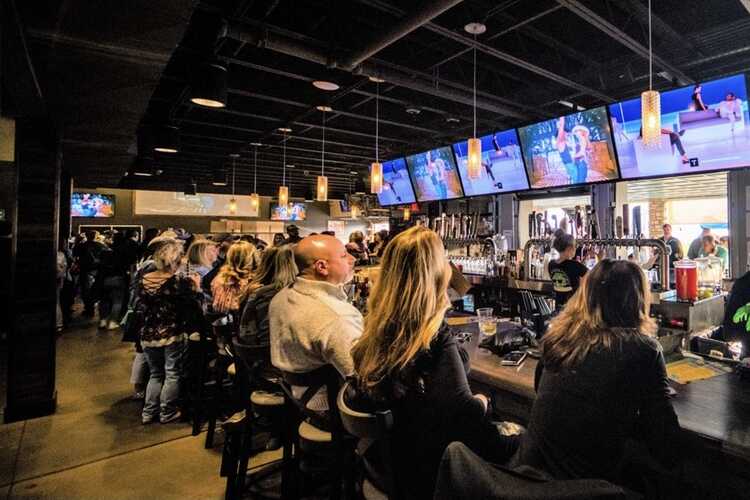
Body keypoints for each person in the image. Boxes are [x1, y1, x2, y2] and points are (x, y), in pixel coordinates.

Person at [350, 226, 519, 498]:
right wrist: (482, 401)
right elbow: (465, 417)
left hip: (390, 465)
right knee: (525, 440)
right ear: (437, 273)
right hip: (430, 475)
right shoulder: (433, 336)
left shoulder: (377, 330)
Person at [511, 259, 682, 489]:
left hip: (520, 483)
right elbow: (667, 448)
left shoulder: (558, 338)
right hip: (579, 491)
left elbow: (539, 385)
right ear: (638, 300)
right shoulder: (643, 349)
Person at [269, 234, 362, 411]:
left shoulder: (280, 298)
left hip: (297, 400)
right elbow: (363, 378)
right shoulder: (336, 317)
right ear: (322, 267)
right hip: (332, 409)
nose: (352, 259)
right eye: (344, 255)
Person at [137, 239, 204, 424]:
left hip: (148, 332)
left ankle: (148, 412)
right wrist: (196, 288)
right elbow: (193, 305)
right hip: (172, 332)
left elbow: (140, 305)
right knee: (172, 373)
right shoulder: (176, 281)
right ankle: (167, 411)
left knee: (155, 373)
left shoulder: (145, 279)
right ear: (174, 260)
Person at [239, 246, 298, 346]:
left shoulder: (255, 291)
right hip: (278, 353)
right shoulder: (297, 293)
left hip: (257, 351)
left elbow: (245, 332)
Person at [96, 232, 131, 330]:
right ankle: (112, 322)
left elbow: (100, 265)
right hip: (119, 278)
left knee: (104, 300)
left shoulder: (106, 251)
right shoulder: (124, 252)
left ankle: (102, 321)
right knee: (117, 301)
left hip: (105, 278)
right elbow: (127, 266)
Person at [211, 240, 256, 316]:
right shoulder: (253, 282)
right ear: (252, 258)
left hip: (224, 322)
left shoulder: (219, 278)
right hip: (243, 322)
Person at [548, 231, 588, 309]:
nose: (576, 249)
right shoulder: (574, 265)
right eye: (575, 247)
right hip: (573, 308)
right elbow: (593, 274)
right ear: (569, 248)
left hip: (559, 307)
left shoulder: (551, 264)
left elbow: (569, 271)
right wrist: (600, 257)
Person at [74, 230, 108, 317]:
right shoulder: (101, 245)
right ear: (95, 236)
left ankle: (89, 309)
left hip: (85, 270)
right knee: (94, 291)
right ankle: (92, 307)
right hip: (97, 271)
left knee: (85, 291)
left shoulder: (82, 245)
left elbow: (75, 255)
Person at [556, 117, 577, 184]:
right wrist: (562, 119)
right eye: (564, 133)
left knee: (576, 180)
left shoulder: (564, 143)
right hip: (569, 165)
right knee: (577, 180)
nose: (566, 134)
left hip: (570, 165)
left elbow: (569, 134)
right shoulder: (559, 142)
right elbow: (561, 128)